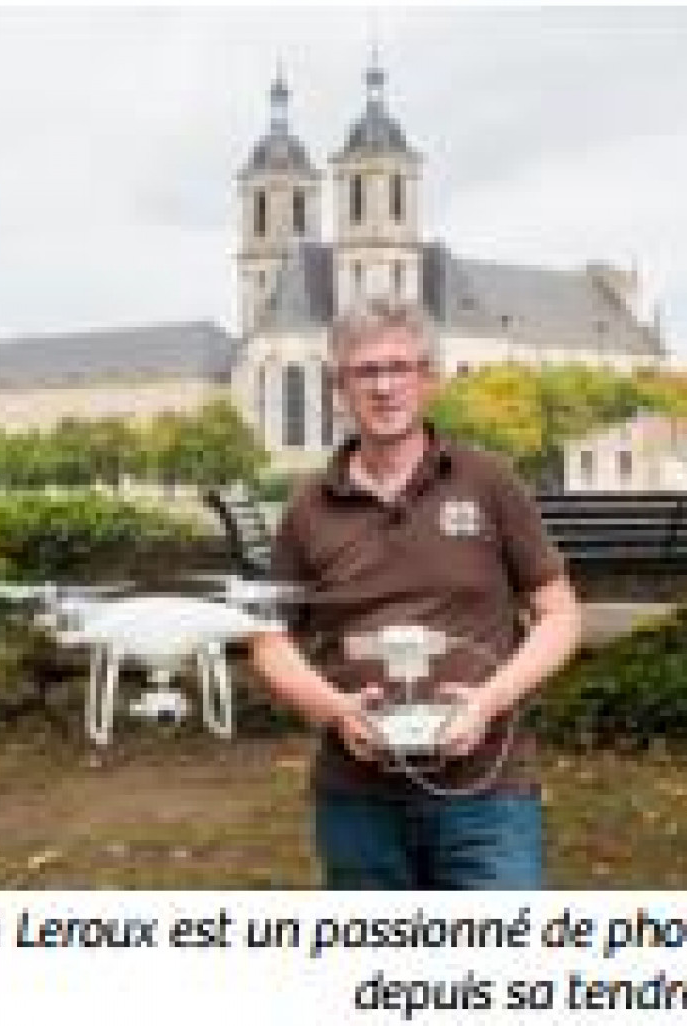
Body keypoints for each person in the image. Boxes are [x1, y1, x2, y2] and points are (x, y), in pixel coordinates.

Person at [248, 298, 581, 889]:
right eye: (365, 371)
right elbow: (270, 639)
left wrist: (488, 700)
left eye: (399, 368)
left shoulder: (488, 482)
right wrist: (335, 710)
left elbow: (559, 616)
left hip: (487, 794)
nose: (383, 387)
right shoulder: (307, 508)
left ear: (428, 379)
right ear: (338, 388)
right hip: (358, 799)